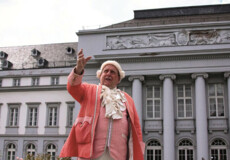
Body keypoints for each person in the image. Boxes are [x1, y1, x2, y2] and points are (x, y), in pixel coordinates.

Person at [60, 49, 145, 160]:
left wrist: (137, 152)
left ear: (119, 79)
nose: (108, 74)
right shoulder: (89, 90)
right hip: (91, 153)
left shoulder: (127, 99)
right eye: (106, 71)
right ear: (100, 75)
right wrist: (78, 70)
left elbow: (136, 128)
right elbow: (73, 88)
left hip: (119, 154)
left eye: (113, 72)